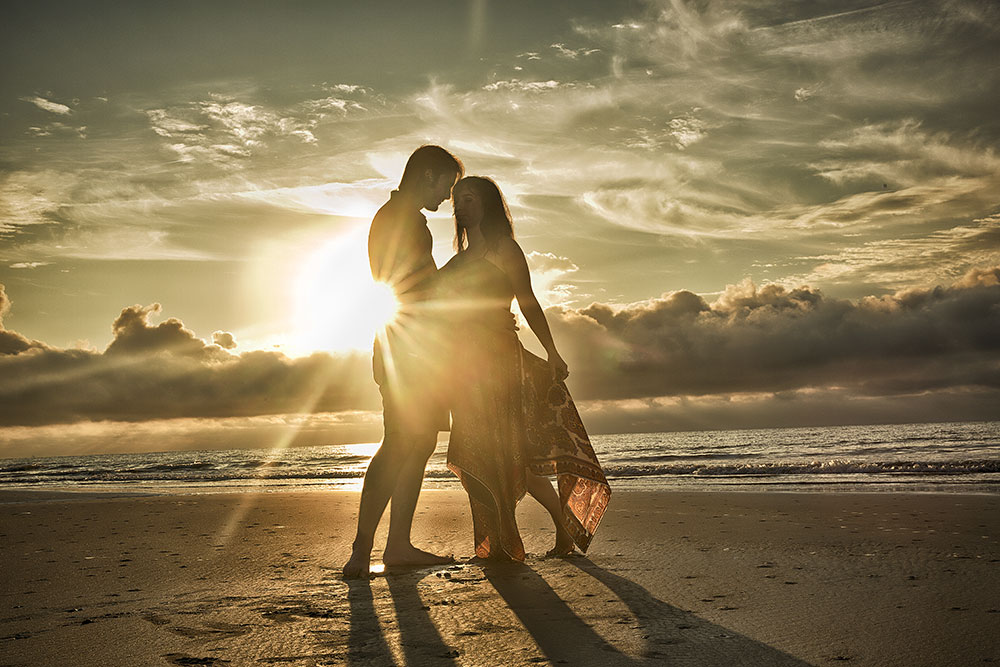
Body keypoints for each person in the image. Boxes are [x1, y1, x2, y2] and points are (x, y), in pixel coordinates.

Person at [438, 176, 610, 561]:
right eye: (456, 200)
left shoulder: (505, 251)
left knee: (508, 452)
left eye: (469, 198)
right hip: (463, 368)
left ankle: (540, 533)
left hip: (500, 361)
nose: (460, 206)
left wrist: (552, 352)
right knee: (477, 453)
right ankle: (503, 540)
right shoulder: (456, 262)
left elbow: (529, 303)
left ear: (487, 205)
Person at [342, 145, 464, 579]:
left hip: (408, 343)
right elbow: (410, 283)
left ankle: (396, 545)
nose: (449, 197)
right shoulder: (398, 220)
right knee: (399, 442)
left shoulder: (402, 219)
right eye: (447, 185)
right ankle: (362, 549)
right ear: (427, 175)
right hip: (406, 345)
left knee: (419, 441)